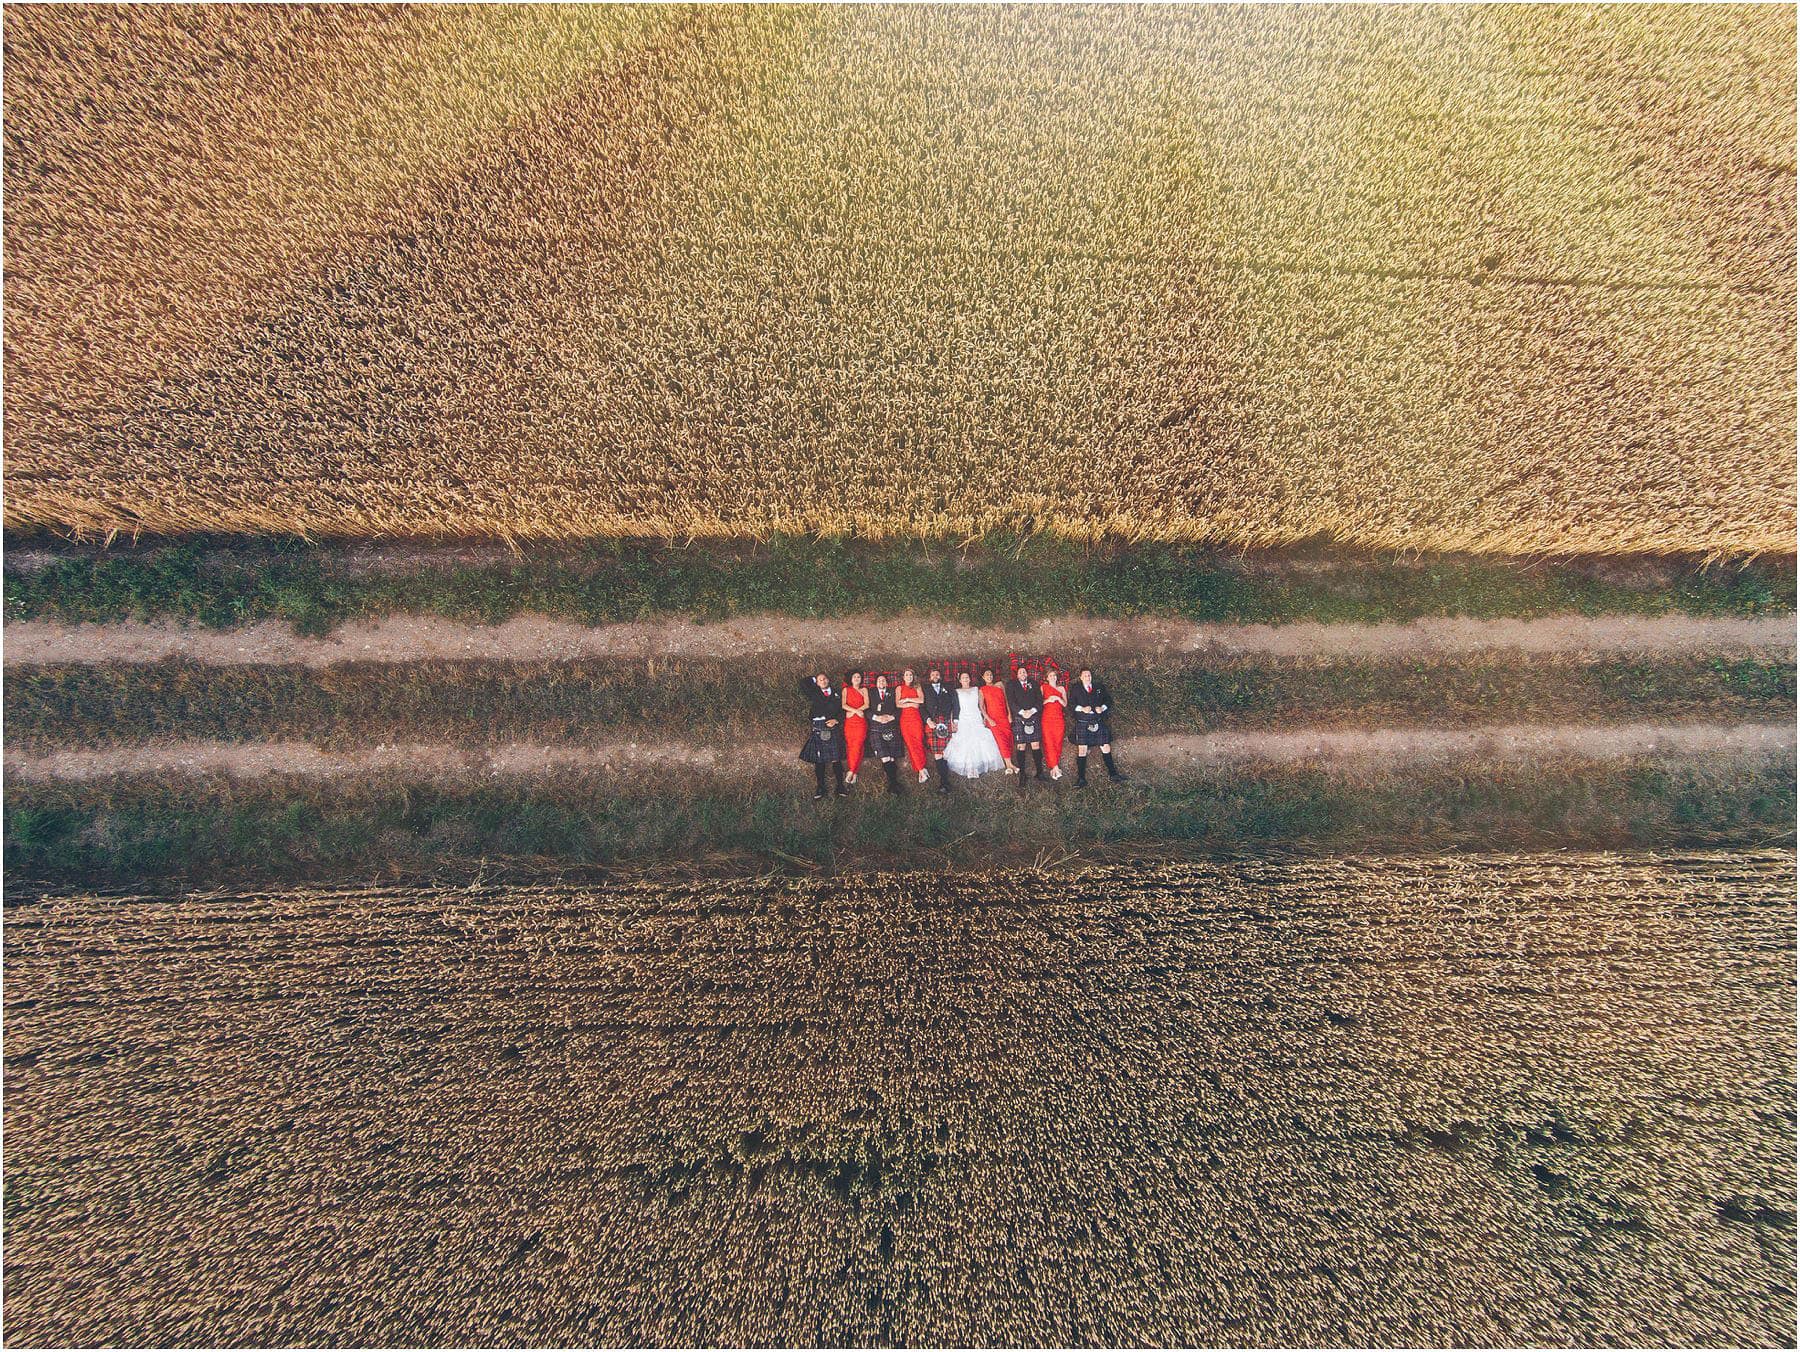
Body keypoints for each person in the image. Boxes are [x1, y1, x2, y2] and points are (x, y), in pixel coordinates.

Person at [1069, 666, 1126, 787]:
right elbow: (1071, 704)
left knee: (1106, 746)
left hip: (1097, 720)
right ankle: (1081, 779)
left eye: (1089, 675)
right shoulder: (1075, 689)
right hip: (1083, 721)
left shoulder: (1099, 687)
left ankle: (1113, 774)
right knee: (1082, 749)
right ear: (1080, 677)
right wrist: (1082, 708)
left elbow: (1108, 701)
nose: (1087, 677)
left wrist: (1102, 708)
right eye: (1085, 675)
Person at [943, 671, 1006, 778]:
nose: (965, 679)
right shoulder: (956, 691)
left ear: (970, 679)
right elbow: (953, 707)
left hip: (976, 716)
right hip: (963, 717)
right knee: (966, 740)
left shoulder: (976, 689)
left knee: (979, 738)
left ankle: (978, 765)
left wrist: (984, 717)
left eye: (967, 677)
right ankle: (970, 768)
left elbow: (982, 704)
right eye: (963, 678)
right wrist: (953, 721)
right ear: (960, 680)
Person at [798, 672, 848, 799]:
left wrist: (837, 720)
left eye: (825, 678)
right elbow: (803, 683)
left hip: (833, 726)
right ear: (817, 683)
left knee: (836, 758)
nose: (823, 681)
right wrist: (814, 679)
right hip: (819, 726)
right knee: (819, 759)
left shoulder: (838, 693)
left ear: (828, 679)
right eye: (820, 680)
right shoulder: (814, 692)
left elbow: (844, 709)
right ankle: (820, 787)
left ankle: (840, 786)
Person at [1006, 666, 1046, 782]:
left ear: (1027, 674)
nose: (1022, 673)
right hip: (1019, 717)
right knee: (1021, 746)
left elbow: (1039, 700)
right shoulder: (1012, 684)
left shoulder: (1034, 683)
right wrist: (1023, 712)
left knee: (1036, 745)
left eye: (1024, 672)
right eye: (1020, 672)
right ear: (1017, 675)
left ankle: (1040, 773)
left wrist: (1032, 711)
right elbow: (1011, 701)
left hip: (1033, 716)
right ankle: (1022, 775)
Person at [868, 674, 906, 794]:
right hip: (876, 726)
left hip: (891, 724)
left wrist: (892, 717)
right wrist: (876, 718)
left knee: (892, 757)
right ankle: (893, 783)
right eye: (879, 680)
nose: (882, 682)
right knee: (885, 757)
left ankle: (893, 784)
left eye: (884, 680)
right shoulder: (871, 693)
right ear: (876, 683)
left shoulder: (893, 692)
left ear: (887, 683)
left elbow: (899, 708)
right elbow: (866, 709)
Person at [922, 667, 958, 793]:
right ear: (929, 677)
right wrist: (927, 720)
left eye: (937, 674)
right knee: (937, 753)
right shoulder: (925, 689)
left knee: (947, 751)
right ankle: (944, 782)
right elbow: (921, 706)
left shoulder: (948, 687)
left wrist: (955, 721)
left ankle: (945, 782)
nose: (935, 676)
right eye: (933, 674)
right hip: (932, 722)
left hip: (946, 720)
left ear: (940, 676)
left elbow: (956, 704)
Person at [979, 668, 1016, 772]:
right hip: (993, 718)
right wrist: (988, 719)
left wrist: (1009, 714)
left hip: (1004, 716)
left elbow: (1006, 700)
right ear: (983, 677)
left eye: (990, 674)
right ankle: (1009, 765)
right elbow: (982, 707)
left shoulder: (1000, 684)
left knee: (1008, 737)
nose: (989, 676)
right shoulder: (982, 689)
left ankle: (1010, 763)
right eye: (987, 675)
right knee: (1001, 740)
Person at [896, 668, 928, 782]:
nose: (909, 676)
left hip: (916, 718)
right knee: (910, 743)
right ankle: (921, 770)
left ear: (913, 677)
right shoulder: (899, 688)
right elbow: (898, 704)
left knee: (918, 741)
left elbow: (921, 700)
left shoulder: (917, 686)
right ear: (903, 677)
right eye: (907, 675)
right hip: (905, 719)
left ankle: (921, 768)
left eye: (911, 675)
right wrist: (911, 704)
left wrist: (908, 699)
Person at [1040, 664, 1068, 780]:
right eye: (1050, 676)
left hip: (1059, 718)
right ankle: (1055, 767)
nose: (1052, 677)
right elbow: (1038, 703)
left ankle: (1053, 766)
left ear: (1056, 677)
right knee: (1049, 741)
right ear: (1047, 678)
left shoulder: (1061, 688)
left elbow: (1065, 704)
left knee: (1057, 741)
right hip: (1047, 718)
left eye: (1054, 675)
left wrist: (1058, 699)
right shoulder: (1043, 687)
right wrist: (1048, 700)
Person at [842, 670, 868, 786]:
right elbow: (843, 705)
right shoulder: (846, 690)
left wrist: (857, 711)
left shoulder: (864, 690)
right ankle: (855, 771)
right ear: (851, 679)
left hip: (860, 721)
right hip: (850, 721)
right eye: (854, 677)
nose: (857, 679)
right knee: (851, 744)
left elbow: (867, 704)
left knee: (857, 743)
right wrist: (855, 711)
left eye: (858, 677)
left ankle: (851, 770)